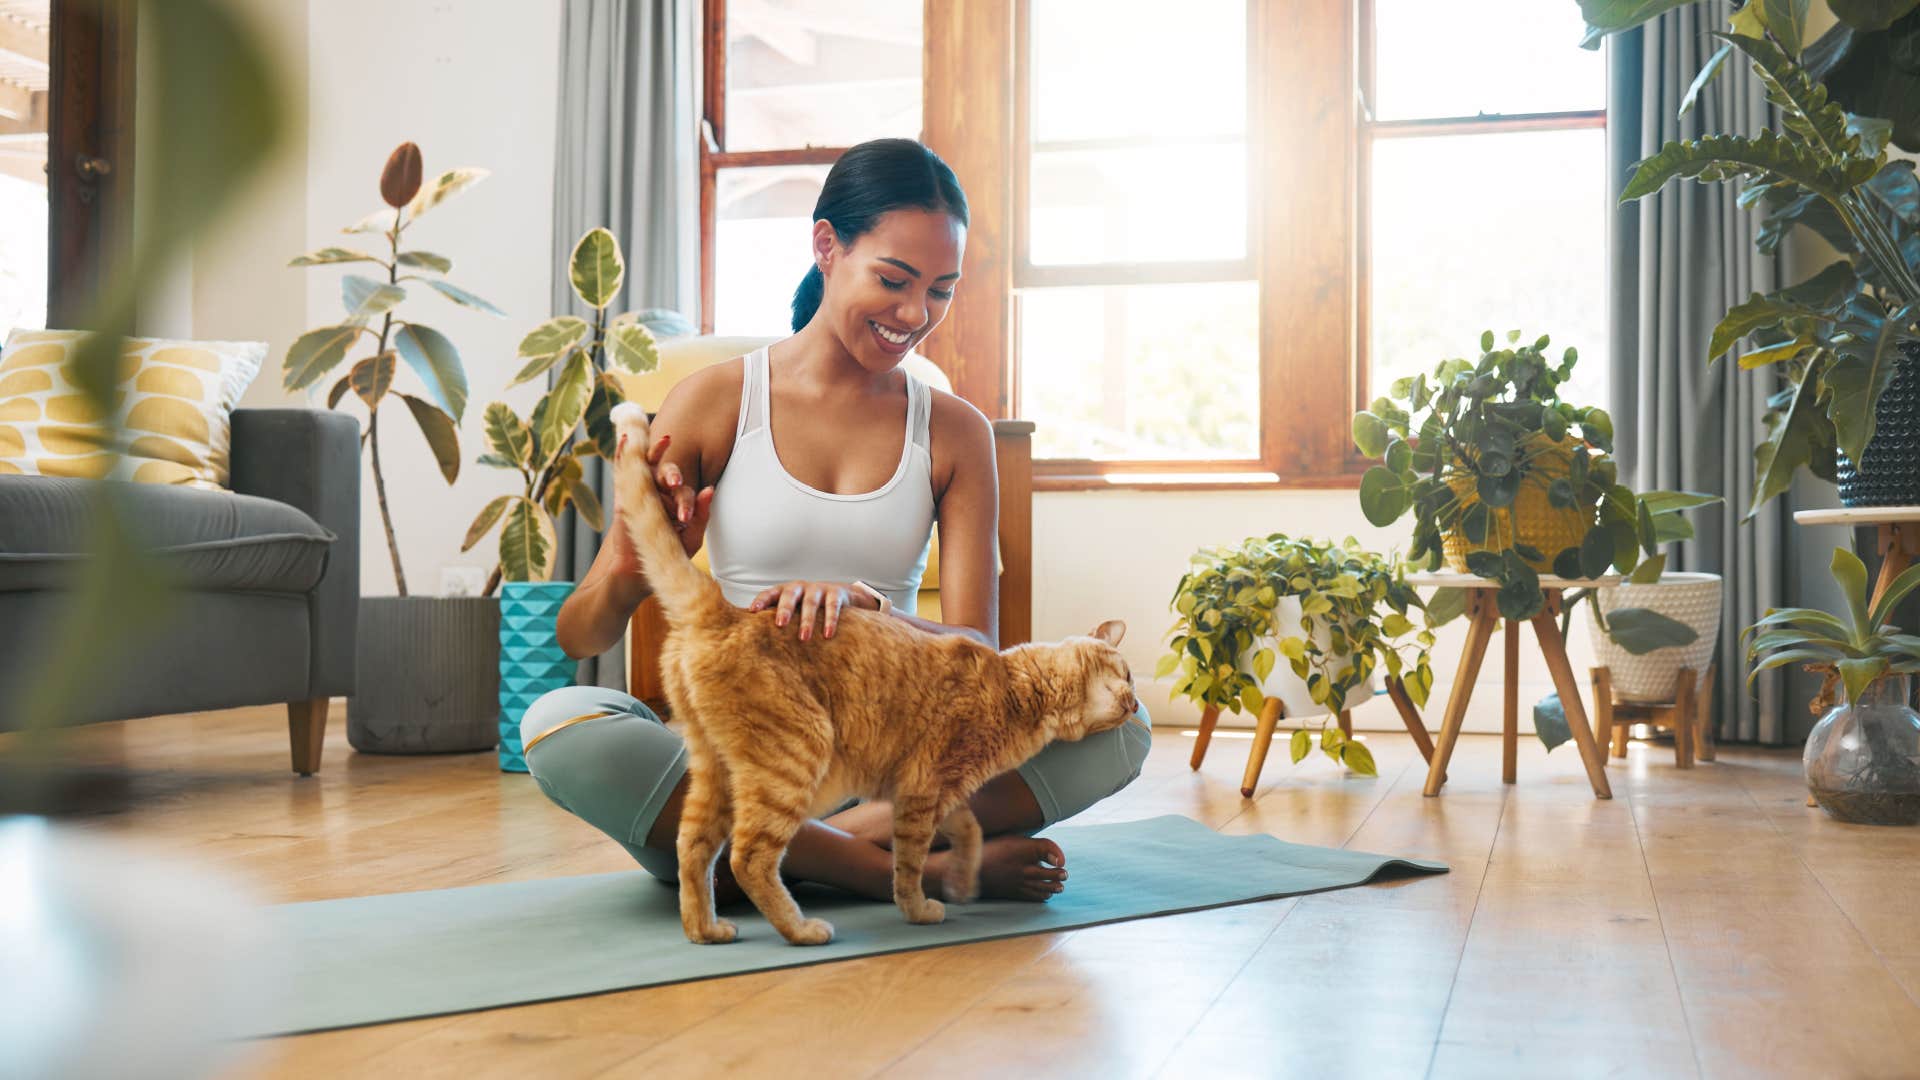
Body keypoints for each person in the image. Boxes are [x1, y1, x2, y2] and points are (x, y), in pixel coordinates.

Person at [521, 137, 1150, 904]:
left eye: (942, 290)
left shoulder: (954, 432)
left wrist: (871, 609)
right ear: (826, 245)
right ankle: (905, 868)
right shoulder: (716, 403)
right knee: (562, 721)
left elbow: (977, 649)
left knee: (1123, 728)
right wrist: (625, 567)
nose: (916, 314)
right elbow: (579, 636)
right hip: (759, 746)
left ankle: (763, 852)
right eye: (893, 279)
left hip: (893, 769)